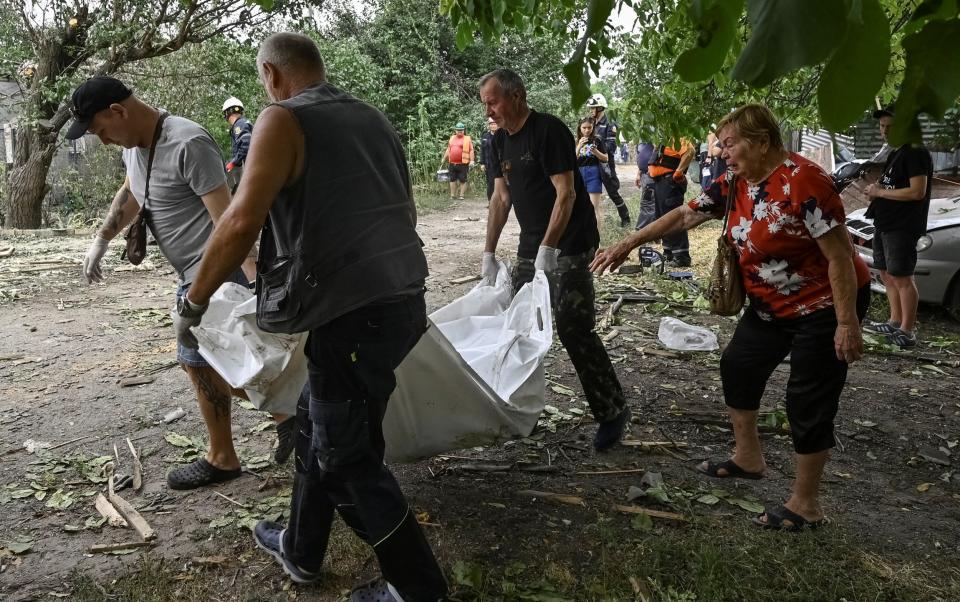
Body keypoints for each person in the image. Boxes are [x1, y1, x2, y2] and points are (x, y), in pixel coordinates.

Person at [172, 33, 447, 601]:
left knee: (347, 455)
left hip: (355, 315)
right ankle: (300, 548)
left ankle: (418, 590)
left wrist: (194, 301)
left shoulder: (281, 119)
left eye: (263, 82)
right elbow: (405, 207)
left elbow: (243, 219)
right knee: (315, 417)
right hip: (400, 300)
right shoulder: (372, 117)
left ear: (272, 75)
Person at [592, 104, 871, 531]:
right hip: (770, 305)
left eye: (729, 144)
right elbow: (687, 213)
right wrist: (629, 242)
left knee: (807, 398)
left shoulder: (806, 182)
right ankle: (748, 458)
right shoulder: (739, 179)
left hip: (825, 304)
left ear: (760, 142)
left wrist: (847, 324)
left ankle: (806, 504)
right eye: (721, 145)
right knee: (738, 365)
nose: (722, 152)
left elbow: (840, 258)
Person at [68, 77, 295, 490]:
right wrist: (102, 238)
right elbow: (133, 191)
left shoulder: (189, 143)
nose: (102, 141)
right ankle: (281, 423)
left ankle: (269, 429)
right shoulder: (137, 149)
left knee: (221, 360)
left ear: (117, 112)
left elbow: (230, 221)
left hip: (215, 274)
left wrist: (250, 285)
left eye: (100, 130)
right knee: (205, 362)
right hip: (191, 276)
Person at [478, 68, 631, 452]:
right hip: (532, 243)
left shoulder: (548, 131)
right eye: (485, 104)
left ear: (517, 96)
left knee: (571, 325)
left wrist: (550, 248)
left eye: (493, 102)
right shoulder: (497, 142)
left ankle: (612, 411)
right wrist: (489, 253)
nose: (489, 111)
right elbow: (500, 198)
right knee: (515, 322)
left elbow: (566, 195)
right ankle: (512, 408)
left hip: (571, 240)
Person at [862, 106, 932, 349]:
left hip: (902, 225)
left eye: (890, 127)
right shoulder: (896, 152)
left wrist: (880, 191)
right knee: (886, 273)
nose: (885, 132)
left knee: (902, 277)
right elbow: (888, 184)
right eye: (882, 127)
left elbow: (917, 191)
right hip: (885, 221)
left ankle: (907, 330)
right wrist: (874, 191)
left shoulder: (915, 152)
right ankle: (894, 321)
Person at [647, 138, 695, 266]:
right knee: (663, 217)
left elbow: (690, 151)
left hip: (670, 181)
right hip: (660, 182)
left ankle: (681, 256)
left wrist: (679, 171)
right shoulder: (663, 137)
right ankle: (669, 252)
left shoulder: (677, 135)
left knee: (673, 218)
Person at [586, 93, 632, 227]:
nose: (590, 111)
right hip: (592, 163)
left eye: (593, 108)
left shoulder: (610, 123)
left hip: (605, 164)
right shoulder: (591, 123)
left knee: (613, 192)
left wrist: (597, 147)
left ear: (600, 108)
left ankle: (626, 218)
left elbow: (611, 147)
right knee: (591, 194)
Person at [575, 117, 609, 225]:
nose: (587, 130)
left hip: (594, 173)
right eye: (584, 128)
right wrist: (579, 146)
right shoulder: (576, 141)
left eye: (589, 127)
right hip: (579, 173)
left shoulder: (597, 140)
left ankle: (596, 238)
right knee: (579, 207)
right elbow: (571, 160)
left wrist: (596, 152)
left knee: (593, 207)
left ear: (593, 127)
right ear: (580, 128)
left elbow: (606, 158)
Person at [221, 97, 254, 193]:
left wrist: (233, 162)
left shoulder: (240, 125)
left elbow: (246, 145)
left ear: (227, 113)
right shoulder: (243, 123)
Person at [440, 122, 474, 200]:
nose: (460, 131)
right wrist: (444, 158)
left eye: (461, 130)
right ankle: (452, 195)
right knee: (452, 179)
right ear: (455, 130)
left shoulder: (467, 138)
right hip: (452, 163)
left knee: (463, 179)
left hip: (463, 164)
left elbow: (471, 150)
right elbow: (448, 149)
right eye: (458, 130)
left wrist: (472, 160)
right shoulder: (452, 138)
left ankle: (461, 195)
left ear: (464, 130)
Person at [634, 140, 656, 230]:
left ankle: (641, 231)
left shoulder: (660, 132)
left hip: (653, 174)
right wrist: (638, 174)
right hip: (645, 174)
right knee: (647, 203)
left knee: (648, 203)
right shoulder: (646, 136)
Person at [479, 117, 499, 203]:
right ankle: (490, 201)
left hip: (499, 165)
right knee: (490, 184)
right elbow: (482, 151)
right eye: (491, 124)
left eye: (495, 124)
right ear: (489, 126)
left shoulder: (502, 136)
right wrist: (482, 163)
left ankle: (499, 201)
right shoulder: (485, 136)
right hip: (488, 164)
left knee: (499, 184)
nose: (493, 125)